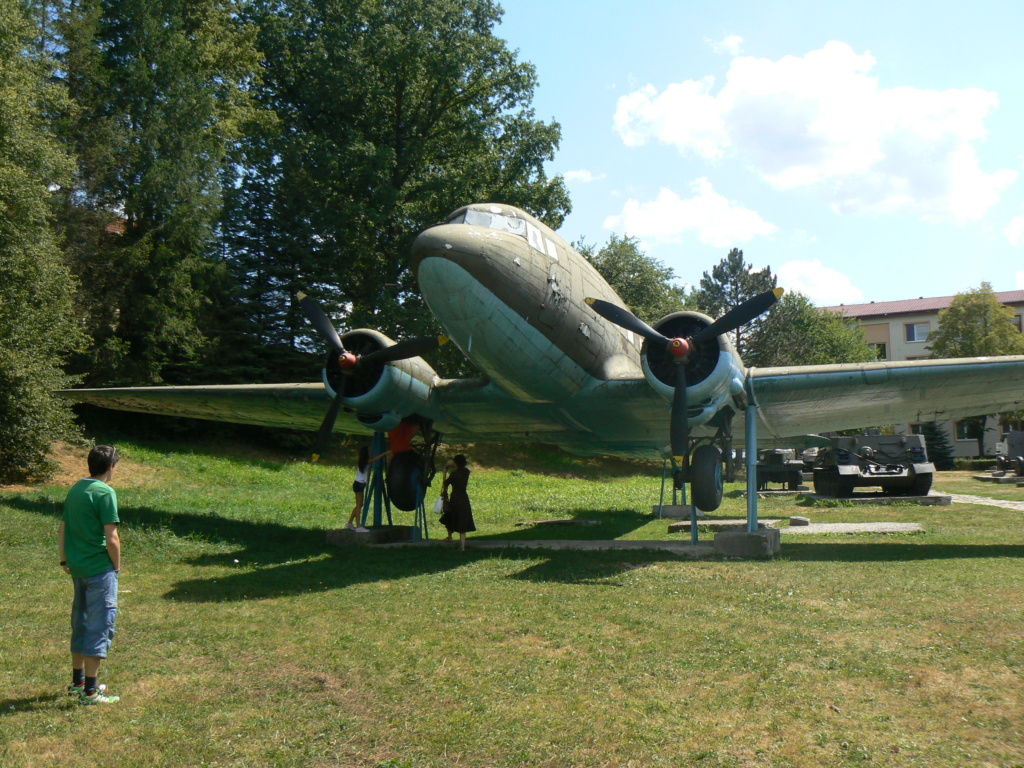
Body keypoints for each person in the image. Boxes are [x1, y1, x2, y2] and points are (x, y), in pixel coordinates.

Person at [58, 445, 122, 704]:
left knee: (81, 623)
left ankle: (78, 682)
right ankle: (91, 692)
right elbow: (112, 537)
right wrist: (116, 568)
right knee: (98, 626)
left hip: (78, 568)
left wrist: (64, 559)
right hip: (99, 570)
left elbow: (62, 529)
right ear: (110, 467)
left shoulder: (76, 488)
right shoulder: (105, 492)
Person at [344, 445, 386, 531]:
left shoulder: (364, 462)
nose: (371, 451)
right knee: (359, 506)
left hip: (359, 484)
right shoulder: (366, 461)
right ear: (366, 453)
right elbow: (375, 459)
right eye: (370, 450)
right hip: (359, 485)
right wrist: (385, 453)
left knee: (359, 505)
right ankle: (359, 526)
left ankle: (350, 522)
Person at [439, 454, 475, 550]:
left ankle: (450, 536)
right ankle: (462, 546)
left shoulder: (453, 474)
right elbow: (461, 467)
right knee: (462, 519)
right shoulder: (466, 472)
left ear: (455, 463)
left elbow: (445, 485)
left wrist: (444, 473)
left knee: (450, 515)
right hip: (464, 497)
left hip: (455, 498)